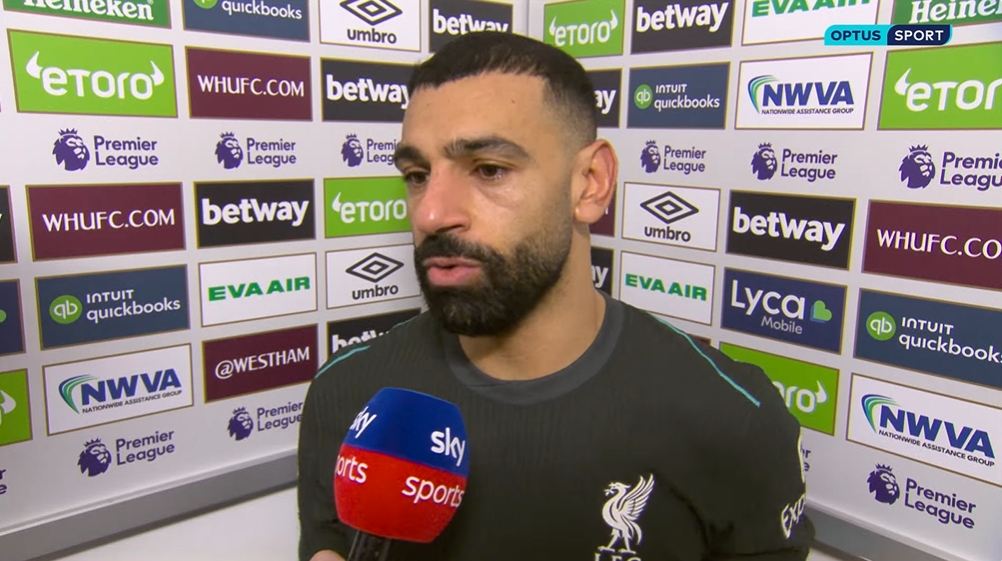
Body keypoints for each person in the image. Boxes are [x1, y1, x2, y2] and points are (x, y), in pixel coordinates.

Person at [298, 31, 815, 561]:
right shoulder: (346, 392)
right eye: (416, 174)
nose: (430, 213)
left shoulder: (731, 418)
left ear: (590, 183)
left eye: (489, 169)